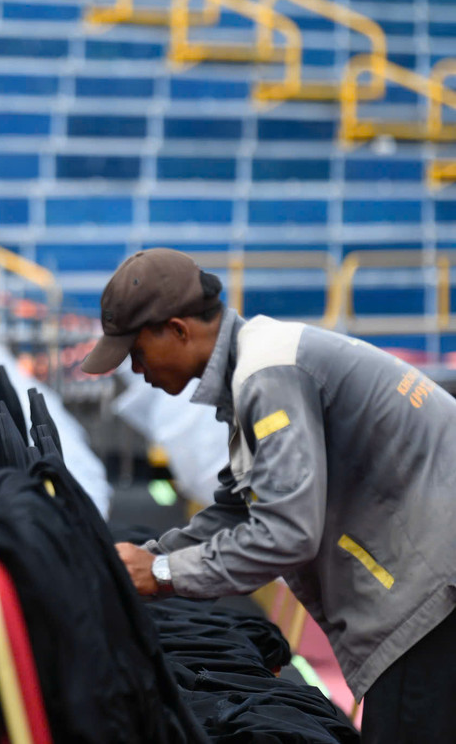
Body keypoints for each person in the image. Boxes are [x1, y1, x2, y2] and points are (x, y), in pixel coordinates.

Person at [81, 247, 456, 743]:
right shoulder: (257, 362)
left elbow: (287, 534)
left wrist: (163, 573)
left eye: (136, 351)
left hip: (432, 589)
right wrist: (142, 562)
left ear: (177, 329)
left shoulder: (268, 374)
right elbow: (238, 511)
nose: (137, 369)